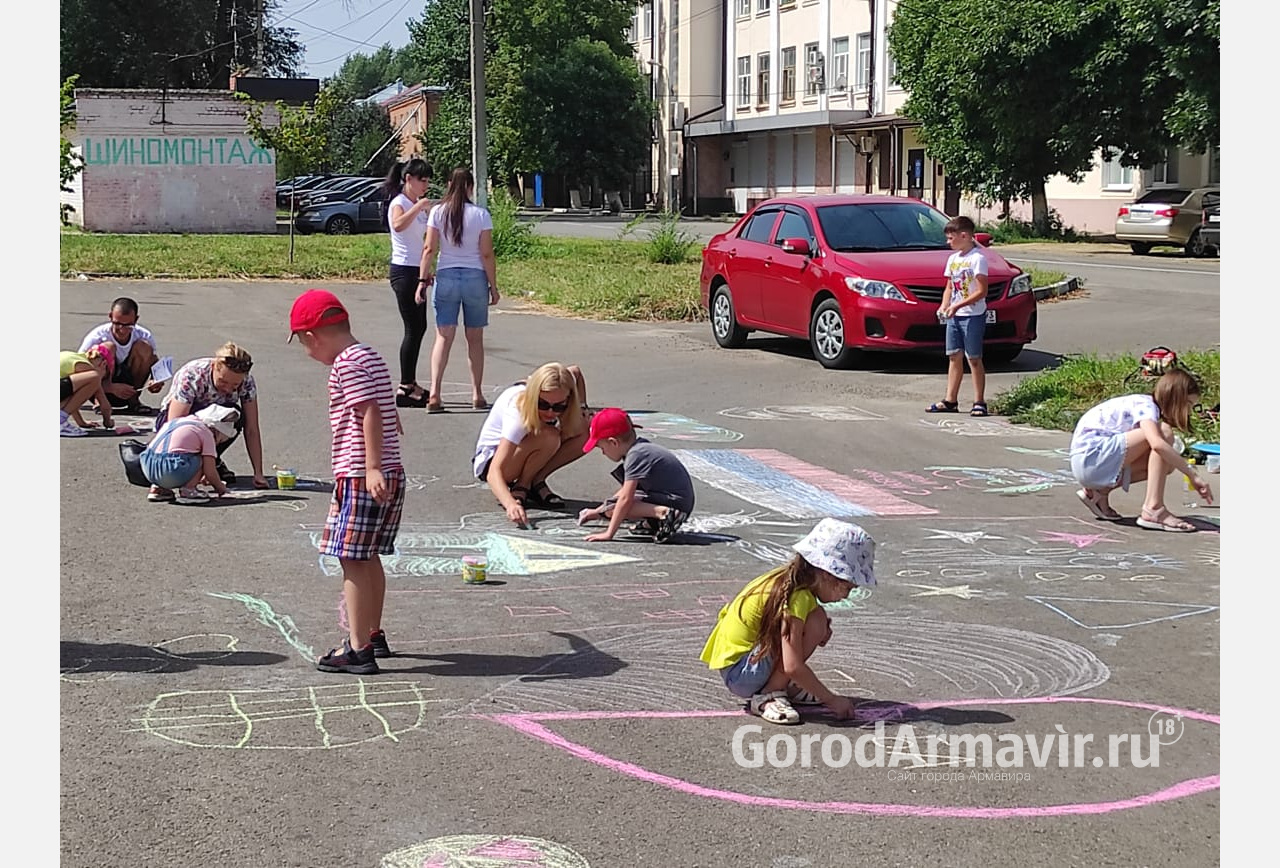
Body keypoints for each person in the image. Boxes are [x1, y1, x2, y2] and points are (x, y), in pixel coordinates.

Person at [290, 288, 405, 675]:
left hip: (361, 476)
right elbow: (383, 405)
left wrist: (371, 467)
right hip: (387, 471)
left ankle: (358, 650)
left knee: (352, 558)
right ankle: (372, 633)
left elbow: (368, 409)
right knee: (367, 556)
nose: (309, 354)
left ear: (312, 336)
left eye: (304, 345)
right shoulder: (370, 355)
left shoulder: (346, 365)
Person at [700, 518, 877, 725]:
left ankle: (780, 685)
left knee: (816, 619)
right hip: (741, 674)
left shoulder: (789, 581)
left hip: (740, 667)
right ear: (828, 574)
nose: (846, 596)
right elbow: (793, 665)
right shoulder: (797, 597)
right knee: (817, 620)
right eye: (847, 587)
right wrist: (831, 700)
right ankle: (769, 695)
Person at [1069, 368, 1214, 532]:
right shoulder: (1146, 406)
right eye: (1188, 405)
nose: (1188, 412)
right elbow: (1157, 444)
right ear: (1176, 399)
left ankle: (1099, 492)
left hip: (1089, 461)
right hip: (1092, 457)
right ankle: (1154, 509)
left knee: (1167, 463)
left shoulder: (1144, 405)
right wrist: (1192, 475)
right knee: (1163, 434)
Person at [418, 167, 500, 413]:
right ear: (470, 187)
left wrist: (422, 281)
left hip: (446, 276)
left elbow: (429, 249)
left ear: (448, 185)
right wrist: (493, 286)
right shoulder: (480, 214)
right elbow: (486, 253)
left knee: (443, 337)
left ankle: (435, 393)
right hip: (475, 277)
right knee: (474, 339)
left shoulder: (438, 213)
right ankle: (477, 393)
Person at [472, 362, 590, 526]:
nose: (550, 412)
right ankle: (523, 485)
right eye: (542, 404)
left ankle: (535, 481)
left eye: (559, 406)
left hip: (528, 444)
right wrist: (510, 504)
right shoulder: (517, 413)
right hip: (492, 461)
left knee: (588, 432)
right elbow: (494, 472)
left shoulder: (561, 380)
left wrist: (583, 407)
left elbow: (576, 371)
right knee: (549, 436)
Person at [155, 343, 268, 495]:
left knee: (236, 416)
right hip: (180, 421)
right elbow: (174, 425)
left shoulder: (247, 381)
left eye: (235, 385)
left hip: (213, 421)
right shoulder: (193, 374)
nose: (228, 389)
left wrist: (258, 473)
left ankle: (209, 463)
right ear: (215, 366)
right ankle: (192, 469)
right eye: (223, 381)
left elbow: (252, 429)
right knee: (194, 432)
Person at [576, 407, 695, 543]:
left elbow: (625, 499)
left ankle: (664, 513)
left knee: (614, 509)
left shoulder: (635, 456)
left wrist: (609, 533)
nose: (603, 453)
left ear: (613, 442)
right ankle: (654, 521)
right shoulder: (639, 448)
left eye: (601, 447)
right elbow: (622, 494)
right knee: (612, 506)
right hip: (676, 498)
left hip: (676, 503)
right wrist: (596, 512)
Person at [926, 215, 990, 417]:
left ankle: (979, 401)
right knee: (954, 356)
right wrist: (945, 305)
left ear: (964, 235)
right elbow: (949, 287)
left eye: (951, 238)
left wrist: (957, 305)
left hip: (972, 314)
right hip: (954, 314)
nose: (948, 242)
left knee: (974, 358)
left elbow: (981, 291)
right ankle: (950, 400)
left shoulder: (977, 258)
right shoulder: (953, 259)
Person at [384, 158, 434, 408]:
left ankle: (411, 382)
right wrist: (418, 208)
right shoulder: (400, 203)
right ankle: (405, 386)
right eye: (422, 180)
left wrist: (426, 271)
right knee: (412, 328)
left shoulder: (415, 204)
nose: (425, 185)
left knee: (421, 326)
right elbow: (397, 225)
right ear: (408, 179)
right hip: (403, 270)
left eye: (427, 180)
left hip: (417, 269)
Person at [78, 297, 165, 414]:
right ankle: (100, 401)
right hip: (100, 388)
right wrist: (110, 387)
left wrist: (156, 380)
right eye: (117, 324)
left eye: (128, 325)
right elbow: (78, 370)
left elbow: (154, 361)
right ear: (110, 317)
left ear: (136, 320)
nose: (122, 330)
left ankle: (133, 400)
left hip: (130, 387)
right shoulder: (97, 336)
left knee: (144, 347)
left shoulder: (144, 335)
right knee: (108, 347)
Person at [140, 405, 235, 501]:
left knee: (168, 452)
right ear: (216, 431)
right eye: (219, 440)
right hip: (173, 470)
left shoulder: (176, 422)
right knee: (203, 457)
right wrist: (220, 488)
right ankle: (188, 490)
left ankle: (158, 489)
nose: (216, 443)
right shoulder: (206, 432)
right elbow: (210, 471)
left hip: (148, 466)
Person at [60, 343, 115, 435]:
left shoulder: (76, 358)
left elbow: (71, 400)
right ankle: (60, 421)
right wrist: (108, 422)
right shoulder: (88, 369)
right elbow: (104, 404)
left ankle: (61, 419)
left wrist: (81, 423)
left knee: (75, 391)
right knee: (94, 377)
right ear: (104, 364)